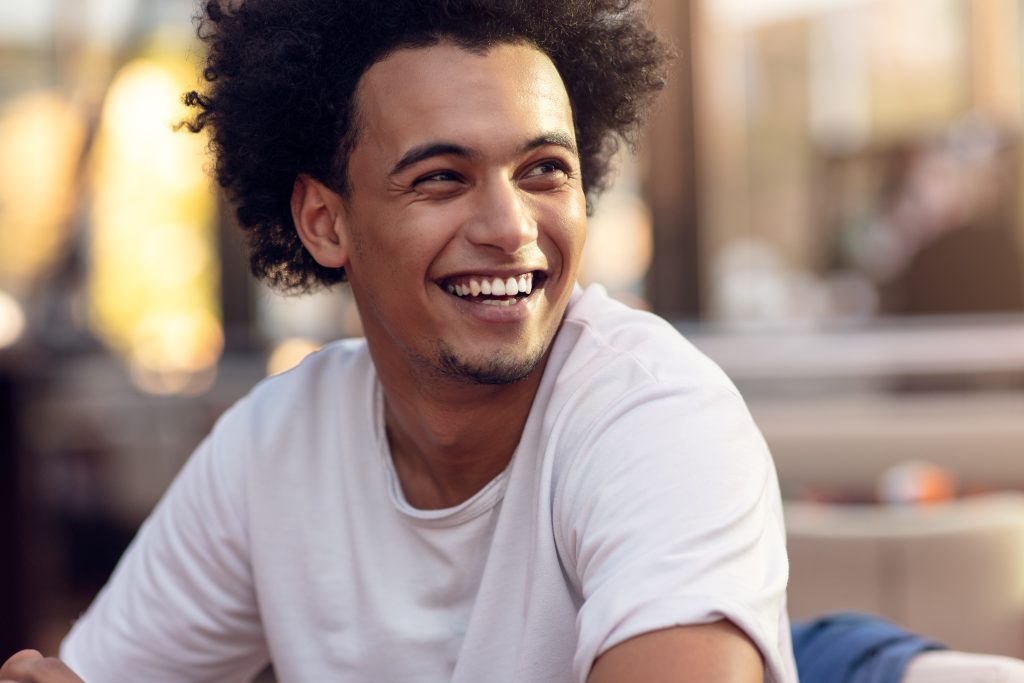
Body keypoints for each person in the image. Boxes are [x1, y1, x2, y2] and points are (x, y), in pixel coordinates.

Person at [0, 1, 797, 681]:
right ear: (325, 221)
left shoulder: (657, 418)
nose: (510, 228)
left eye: (544, 170)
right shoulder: (275, 446)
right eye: (442, 178)